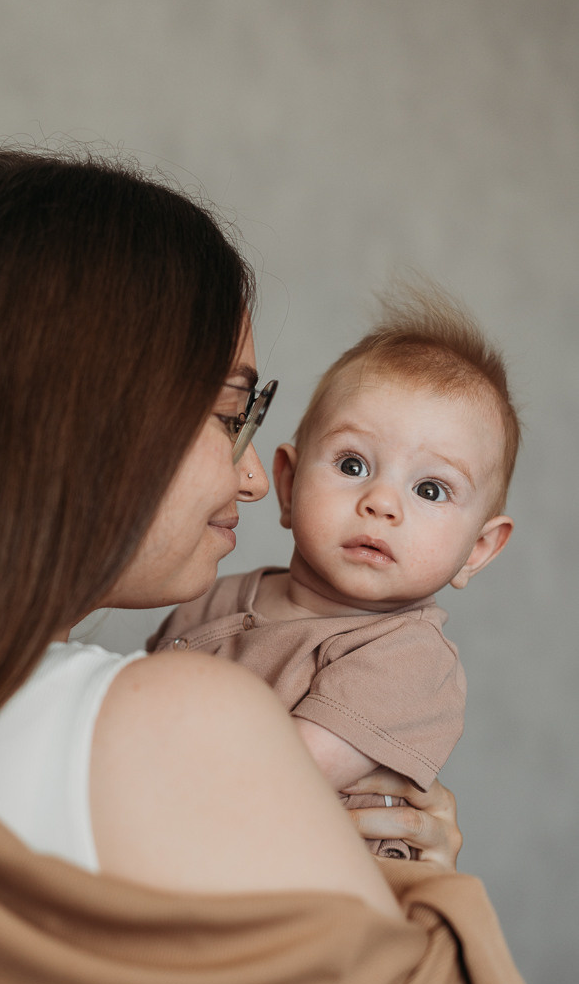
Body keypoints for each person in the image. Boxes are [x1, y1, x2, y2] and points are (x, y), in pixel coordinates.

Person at [0, 149, 556, 984]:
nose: (244, 478)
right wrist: (428, 896)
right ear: (84, 412)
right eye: (233, 410)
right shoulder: (176, 717)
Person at [149, 285, 516, 858]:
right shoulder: (210, 597)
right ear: (290, 485)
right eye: (353, 464)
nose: (381, 502)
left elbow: (274, 778)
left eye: (429, 488)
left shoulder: (407, 658)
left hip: (315, 909)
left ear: (478, 549)